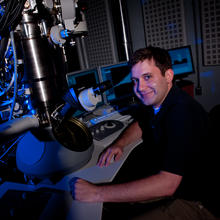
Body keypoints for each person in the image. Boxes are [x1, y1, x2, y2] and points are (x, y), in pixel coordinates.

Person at [69, 46, 217, 220]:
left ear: (168, 76)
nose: (140, 87)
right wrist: (119, 144)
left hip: (200, 202)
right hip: (181, 183)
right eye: (135, 80)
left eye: (147, 77)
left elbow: (167, 184)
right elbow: (141, 123)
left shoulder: (182, 113)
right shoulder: (159, 101)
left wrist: (96, 193)